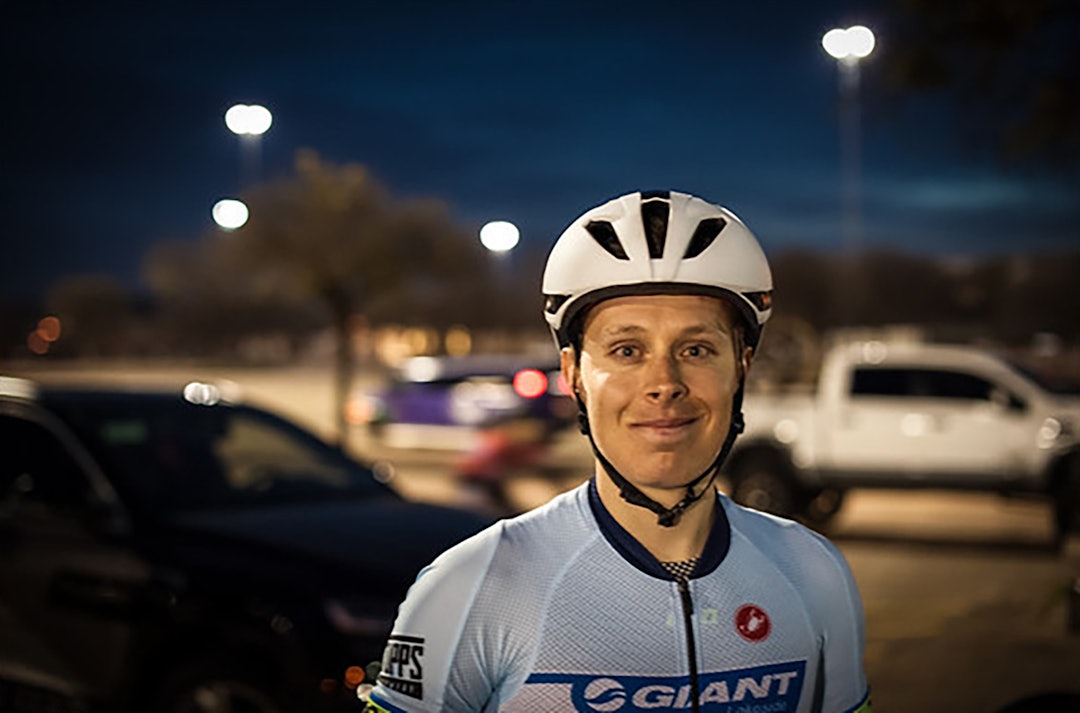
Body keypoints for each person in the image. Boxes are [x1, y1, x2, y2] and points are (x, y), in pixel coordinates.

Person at [364, 191, 871, 713]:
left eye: (696, 349)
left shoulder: (814, 573)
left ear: (741, 368)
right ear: (573, 374)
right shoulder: (473, 585)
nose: (664, 384)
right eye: (627, 350)